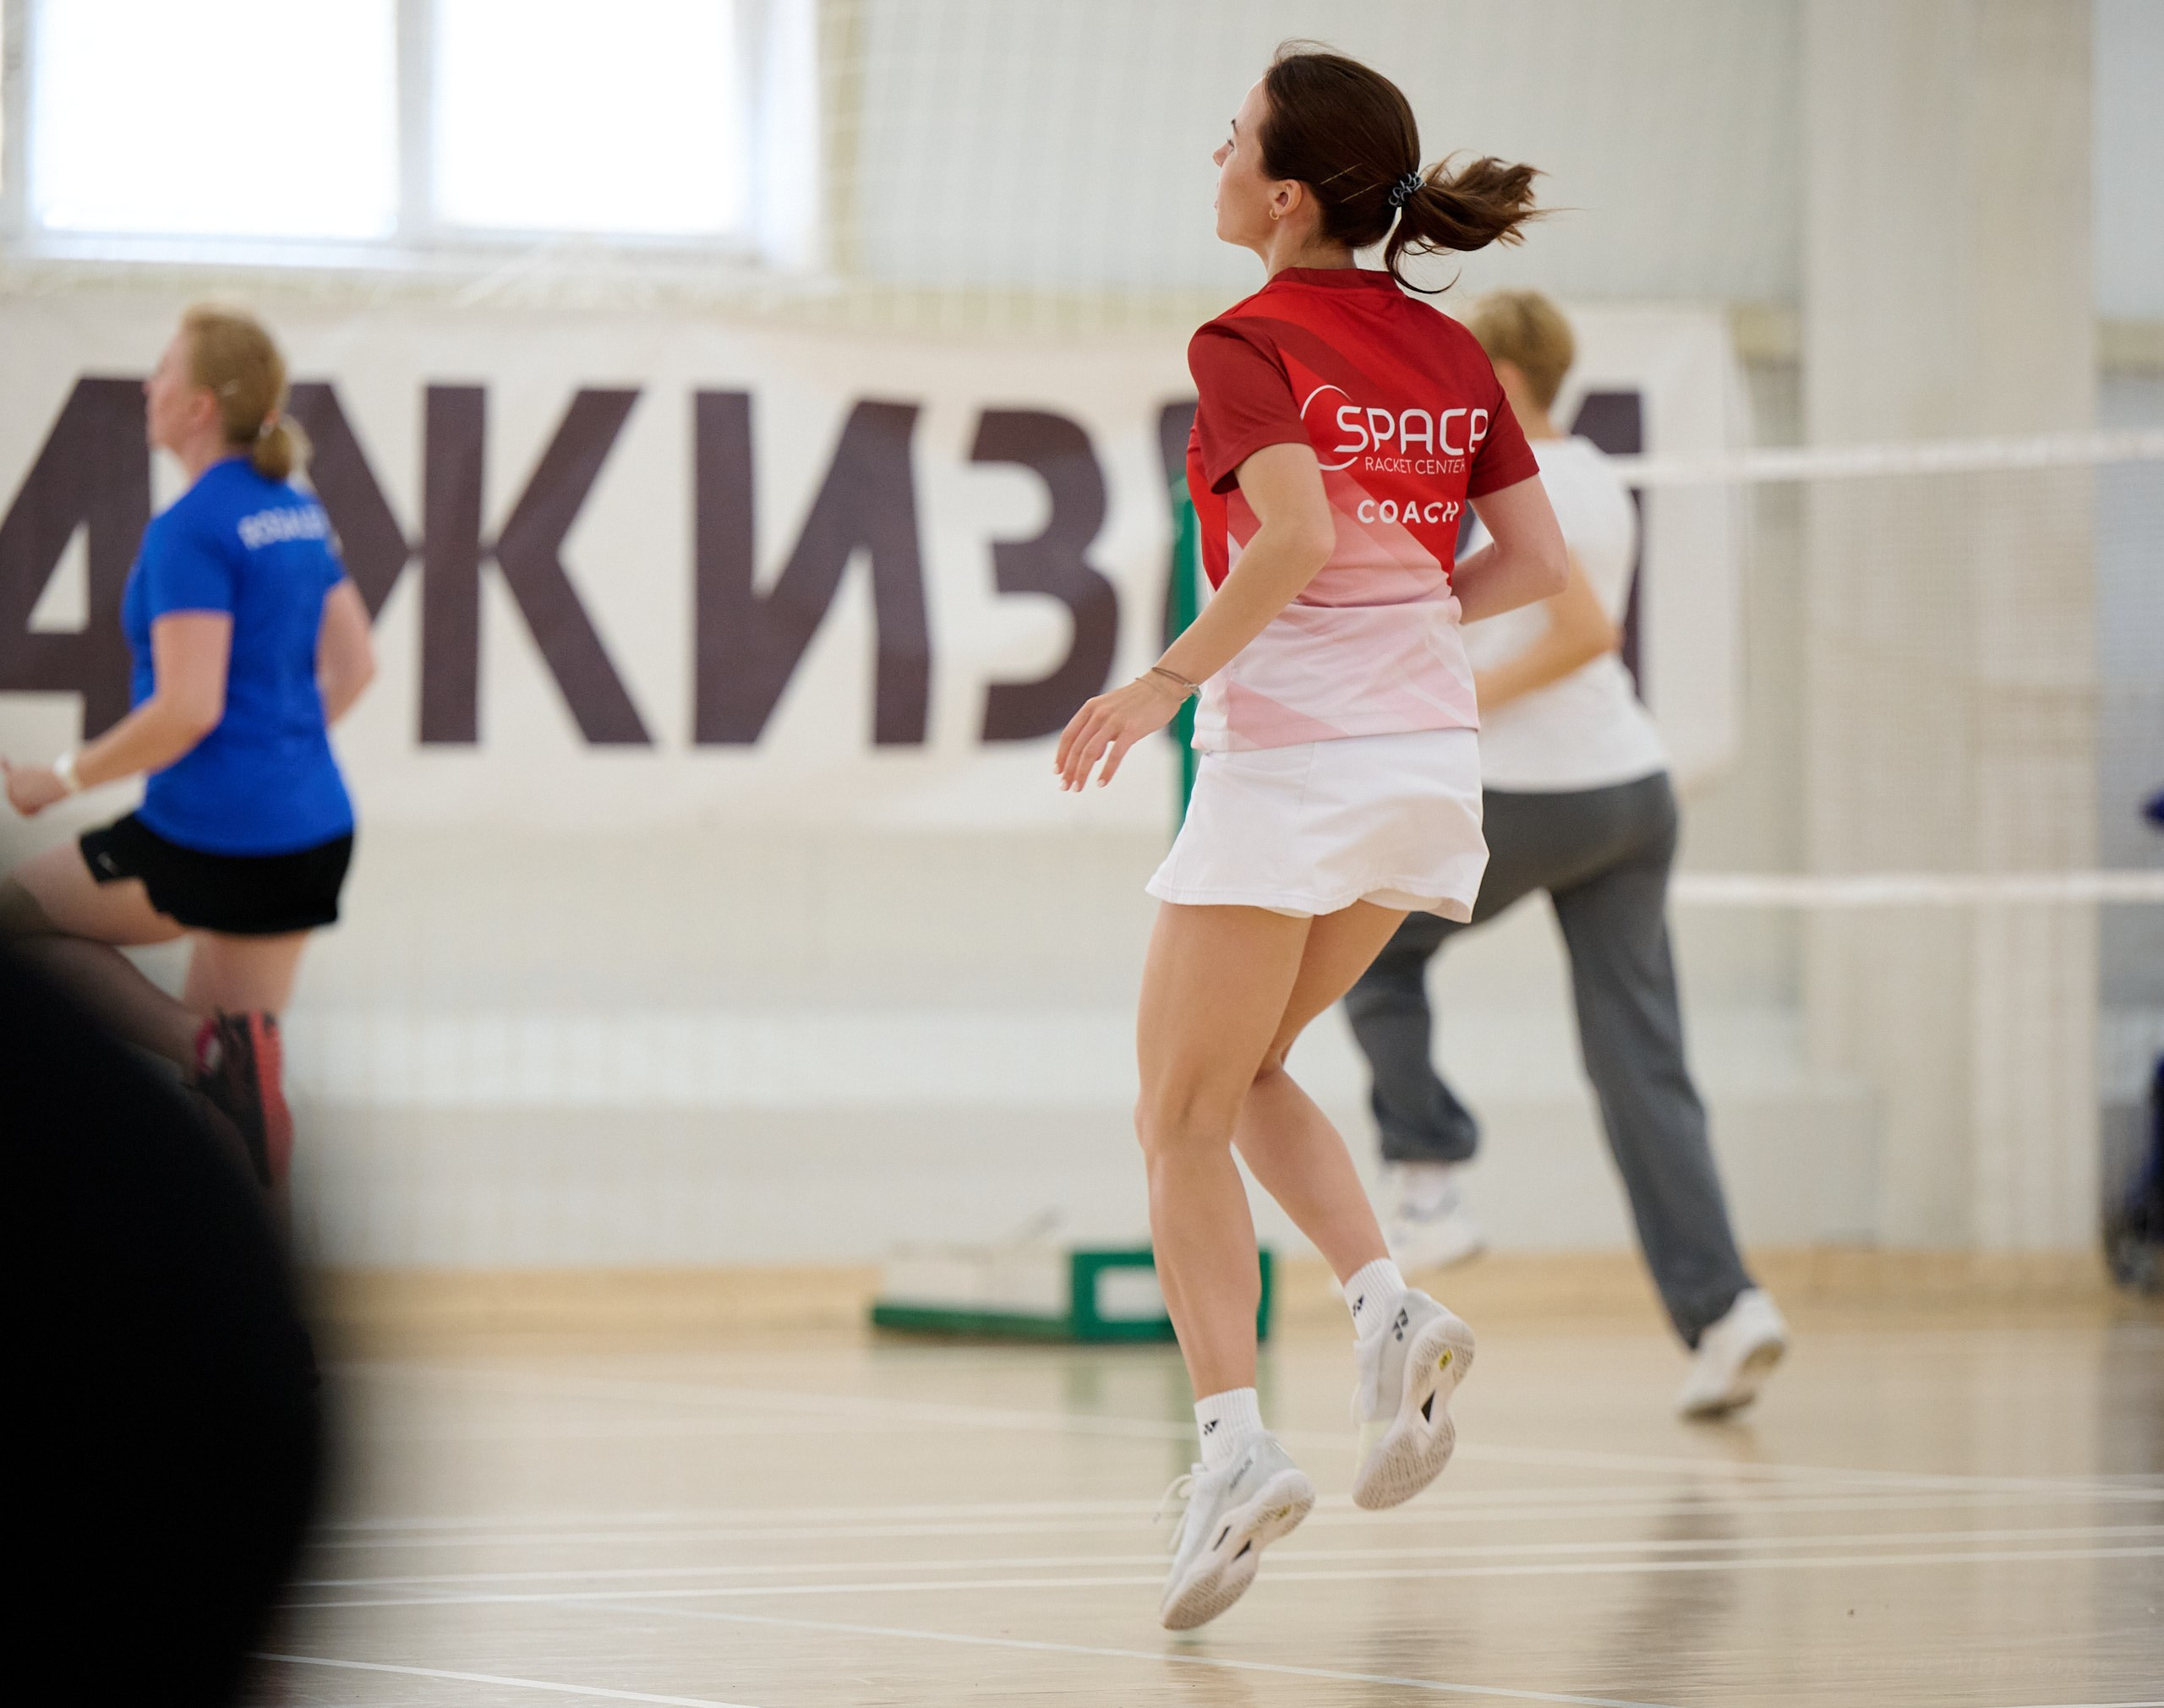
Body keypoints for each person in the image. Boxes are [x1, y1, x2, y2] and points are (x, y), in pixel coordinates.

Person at [1055, 47, 1566, 1629]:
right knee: (1250, 1074)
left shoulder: (1246, 340)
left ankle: (1232, 1448)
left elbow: (1293, 537)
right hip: (1425, 759)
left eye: (1235, 136)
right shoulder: (1442, 347)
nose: (1213, 150)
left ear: (1285, 192)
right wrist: (1402, 639)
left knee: (1172, 1112)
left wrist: (1162, 680)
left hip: (1294, 758)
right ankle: (1387, 1305)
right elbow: (1530, 562)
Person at [1341, 288, 1789, 1419]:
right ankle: (1727, 1309)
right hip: (1635, 793)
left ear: (1493, 369)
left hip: (1545, 796)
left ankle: (1431, 1175)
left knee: (1364, 951)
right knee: (1643, 1063)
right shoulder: (1592, 472)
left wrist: (1456, 700)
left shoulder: (1509, 471)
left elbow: (1584, 628)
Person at [1, 303, 374, 1197]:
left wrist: (56, 780)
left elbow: (186, 708)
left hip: (214, 837)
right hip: (310, 831)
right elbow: (356, 668)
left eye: (163, 372)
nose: (147, 386)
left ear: (202, 405)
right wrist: (276, 753)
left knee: (17, 921)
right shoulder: (294, 511)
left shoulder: (192, 530)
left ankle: (197, 1046)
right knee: (239, 1117)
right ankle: (248, 1318)